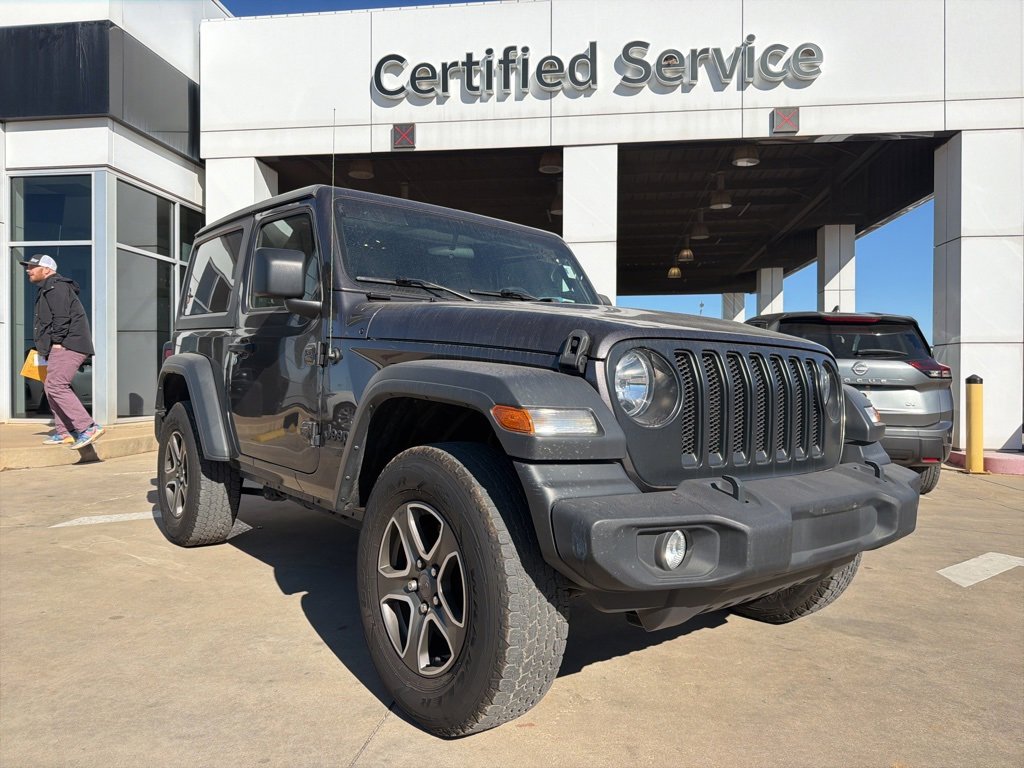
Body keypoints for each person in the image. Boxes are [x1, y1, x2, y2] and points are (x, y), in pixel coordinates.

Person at [20, 254, 104, 449]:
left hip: (68, 345)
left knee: (57, 385)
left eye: (33, 267)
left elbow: (62, 317)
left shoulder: (56, 286)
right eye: (28, 266)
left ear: (47, 269)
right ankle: (66, 431)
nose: (28, 270)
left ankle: (88, 427)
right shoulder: (48, 288)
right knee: (51, 387)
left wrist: (57, 342)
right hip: (62, 345)